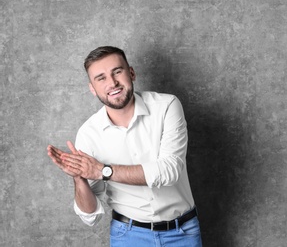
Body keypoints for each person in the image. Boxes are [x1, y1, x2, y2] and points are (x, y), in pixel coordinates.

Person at [47, 46, 202, 247]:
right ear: (92, 88)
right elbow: (90, 216)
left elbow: (169, 171)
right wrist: (79, 178)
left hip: (182, 233)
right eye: (101, 78)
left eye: (117, 72)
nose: (112, 83)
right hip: (128, 237)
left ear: (131, 72)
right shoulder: (88, 134)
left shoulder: (167, 106)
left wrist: (102, 170)